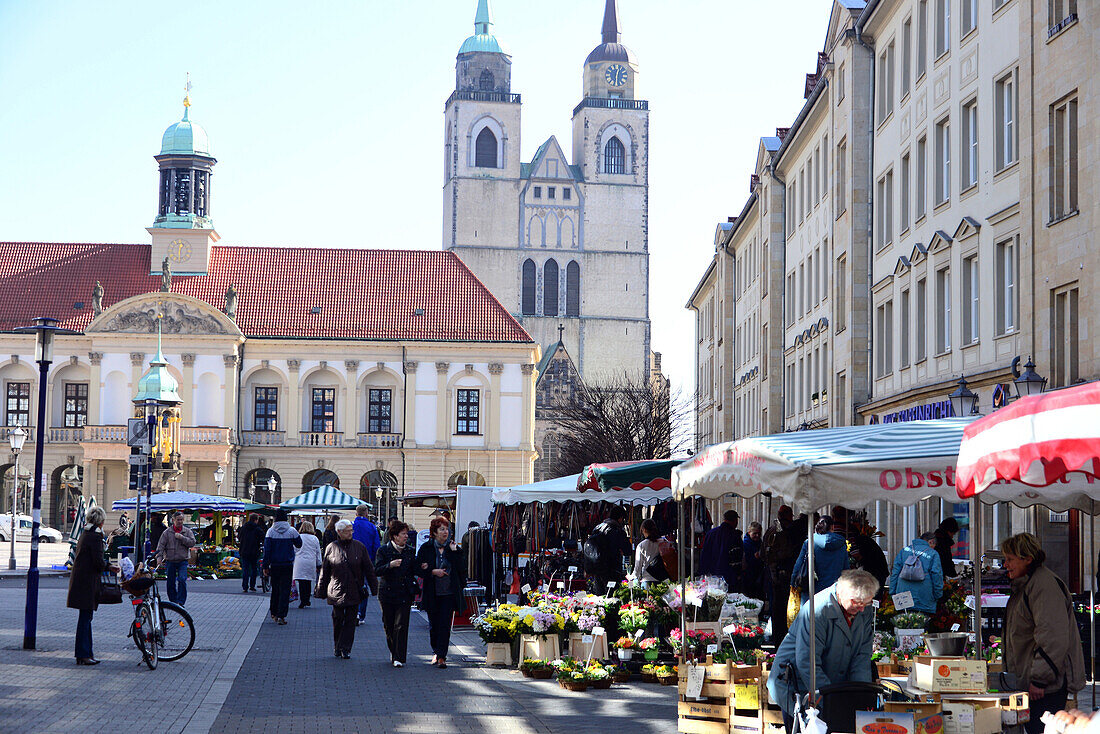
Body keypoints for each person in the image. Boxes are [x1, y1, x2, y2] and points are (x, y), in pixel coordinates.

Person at [767, 570, 879, 731]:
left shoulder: (864, 609)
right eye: (857, 602)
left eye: (866, 603)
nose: (862, 609)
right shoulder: (817, 610)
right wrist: (832, 700)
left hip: (832, 684)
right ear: (841, 593)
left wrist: (859, 696)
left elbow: (861, 657)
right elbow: (808, 661)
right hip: (797, 684)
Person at [1001, 533, 1085, 734]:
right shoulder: (1026, 585)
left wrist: (1039, 679)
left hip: (1045, 687)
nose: (1005, 565)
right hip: (1032, 683)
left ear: (1027, 559)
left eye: (1010, 559)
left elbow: (1052, 636)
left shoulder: (1043, 586)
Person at [318, 518, 377, 658]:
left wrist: (375, 587)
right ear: (339, 532)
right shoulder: (331, 547)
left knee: (350, 620)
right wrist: (320, 589)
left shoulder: (359, 547)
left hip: (354, 589)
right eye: (348, 531)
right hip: (336, 590)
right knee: (338, 619)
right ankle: (337, 645)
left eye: (351, 530)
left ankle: (345, 648)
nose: (351, 533)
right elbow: (325, 570)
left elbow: (369, 569)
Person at [67, 506, 117, 665]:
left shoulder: (85, 533)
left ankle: (85, 653)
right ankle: (83, 654)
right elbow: (97, 561)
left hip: (81, 581)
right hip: (87, 582)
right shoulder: (95, 537)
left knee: (85, 617)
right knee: (85, 619)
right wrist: (109, 566)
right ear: (101, 522)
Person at [416, 516, 466, 668]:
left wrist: (455, 553)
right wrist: (432, 571)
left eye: (447, 529)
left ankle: (442, 656)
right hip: (433, 592)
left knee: (445, 625)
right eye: (442, 529)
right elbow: (419, 568)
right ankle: (436, 651)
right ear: (434, 532)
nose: (446, 532)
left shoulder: (454, 548)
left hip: (449, 593)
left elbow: (462, 569)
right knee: (434, 625)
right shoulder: (426, 548)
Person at [375, 519, 417, 667]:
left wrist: (423, 567)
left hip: (404, 593)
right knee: (389, 624)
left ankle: (398, 657)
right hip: (387, 593)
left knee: (401, 625)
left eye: (406, 534)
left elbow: (414, 570)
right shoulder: (383, 550)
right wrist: (390, 565)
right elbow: (377, 570)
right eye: (403, 534)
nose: (406, 536)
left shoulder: (410, 551)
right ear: (394, 536)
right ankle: (394, 650)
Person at [762, 505, 801, 643]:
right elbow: (783, 553)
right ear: (789, 516)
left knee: (777, 610)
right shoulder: (781, 531)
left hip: (774, 576)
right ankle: (781, 639)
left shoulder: (772, 530)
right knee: (782, 610)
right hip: (780, 577)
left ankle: (778, 638)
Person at [791, 516, 848, 604]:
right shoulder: (841, 544)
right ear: (832, 527)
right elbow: (846, 570)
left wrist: (793, 584)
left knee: (810, 616)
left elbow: (798, 566)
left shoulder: (809, 542)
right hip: (834, 592)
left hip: (812, 591)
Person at [888, 531, 943, 614]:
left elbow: (895, 572)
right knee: (921, 624)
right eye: (934, 545)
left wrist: (893, 592)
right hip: (924, 595)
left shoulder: (904, 550)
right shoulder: (933, 554)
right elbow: (936, 575)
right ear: (931, 541)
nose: (933, 547)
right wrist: (937, 595)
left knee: (903, 624)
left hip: (902, 594)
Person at [262, 508, 302, 625]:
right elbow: (299, 544)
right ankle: (282, 615)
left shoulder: (270, 531)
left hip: (274, 565)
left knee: (275, 589)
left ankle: (273, 612)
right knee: (285, 590)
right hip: (287, 564)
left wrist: (265, 566)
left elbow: (267, 550)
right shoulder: (292, 531)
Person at [584, 506, 633, 592]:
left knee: (599, 597)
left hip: (597, 569)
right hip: (612, 569)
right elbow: (627, 550)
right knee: (612, 598)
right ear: (620, 518)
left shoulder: (597, 528)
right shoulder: (617, 530)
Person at [155, 511, 196, 606]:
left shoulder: (187, 531)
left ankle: (181, 602)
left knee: (182, 579)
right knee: (170, 582)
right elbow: (160, 546)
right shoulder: (167, 532)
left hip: (183, 560)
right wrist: (159, 558)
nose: (180, 521)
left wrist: (182, 538)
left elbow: (192, 543)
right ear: (173, 520)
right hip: (170, 560)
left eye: (181, 520)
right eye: (178, 520)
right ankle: (173, 602)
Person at [700, 510, 744, 592]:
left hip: (712, 577)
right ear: (735, 520)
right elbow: (737, 558)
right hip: (730, 578)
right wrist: (738, 576)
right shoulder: (735, 536)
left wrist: (704, 574)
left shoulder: (711, 533)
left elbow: (704, 556)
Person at [352, 504, 381, 626]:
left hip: (351, 560)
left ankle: (353, 612)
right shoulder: (372, 527)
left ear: (356, 513)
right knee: (363, 586)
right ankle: (361, 613)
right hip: (367, 560)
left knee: (352, 586)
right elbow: (377, 546)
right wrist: (374, 561)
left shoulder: (351, 526)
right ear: (366, 513)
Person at [293, 520, 323, 608]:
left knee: (301, 581)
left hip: (299, 561)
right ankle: (307, 599)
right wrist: (319, 564)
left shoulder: (298, 537)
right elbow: (318, 552)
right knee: (308, 581)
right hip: (311, 561)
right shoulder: (314, 538)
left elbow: (294, 550)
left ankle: (303, 600)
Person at [237, 512, 265, 593]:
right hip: (254, 552)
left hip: (244, 551)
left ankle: (245, 586)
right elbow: (263, 538)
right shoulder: (257, 529)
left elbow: (239, 537)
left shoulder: (243, 528)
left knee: (245, 569)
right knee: (254, 569)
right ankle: (252, 586)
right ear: (256, 520)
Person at [631, 518, 664, 583]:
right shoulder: (663, 542)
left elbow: (638, 567)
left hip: (647, 579)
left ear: (644, 530)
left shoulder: (641, 545)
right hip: (663, 579)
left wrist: (632, 577)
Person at [742, 521, 766, 600]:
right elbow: (745, 562)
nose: (757, 536)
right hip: (749, 577)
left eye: (759, 534)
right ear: (749, 532)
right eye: (754, 534)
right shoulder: (745, 544)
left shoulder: (760, 542)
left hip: (759, 575)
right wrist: (755, 557)